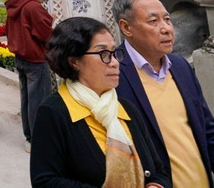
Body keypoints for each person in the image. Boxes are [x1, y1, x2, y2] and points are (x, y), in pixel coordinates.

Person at [113, 0, 214, 188]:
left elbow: (209, 133)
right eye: (153, 21)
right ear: (126, 28)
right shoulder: (113, 72)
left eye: (167, 19)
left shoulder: (180, 66)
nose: (167, 29)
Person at [31, 16, 171, 187]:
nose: (114, 63)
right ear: (74, 61)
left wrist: (156, 185)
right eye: (103, 54)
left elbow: (158, 170)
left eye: (114, 53)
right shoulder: (54, 112)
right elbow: (45, 181)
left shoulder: (125, 109)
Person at [5, 0, 55, 152]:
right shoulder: (33, 7)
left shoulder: (15, 4)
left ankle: (29, 137)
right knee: (39, 100)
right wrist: (50, 21)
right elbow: (45, 34)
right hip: (35, 58)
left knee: (27, 99)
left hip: (20, 58)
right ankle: (37, 139)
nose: (44, 1)